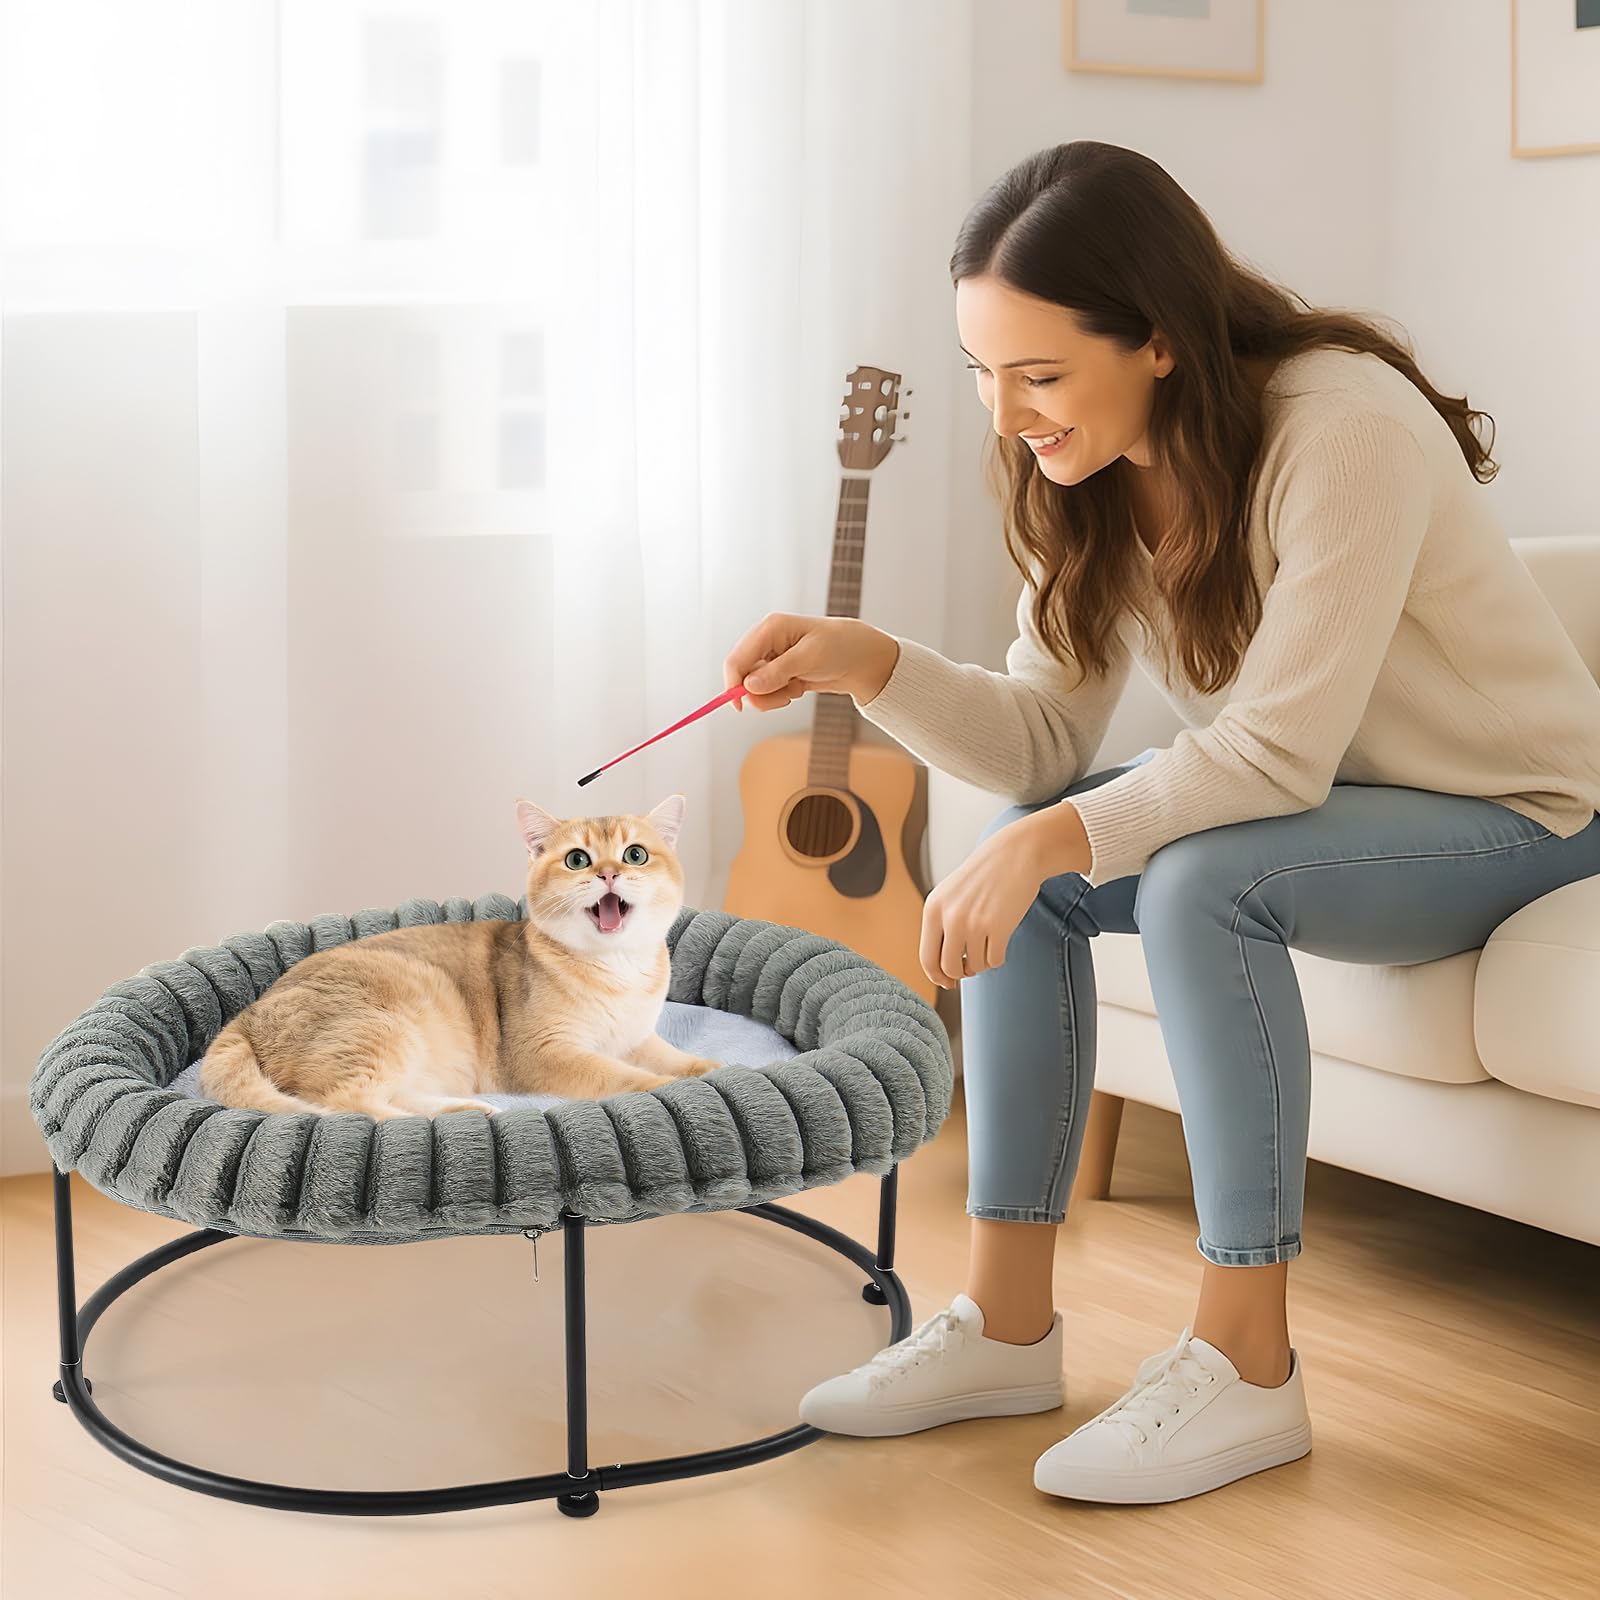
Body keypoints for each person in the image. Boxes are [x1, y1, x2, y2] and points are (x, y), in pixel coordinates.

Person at [721, 140, 1600, 1506]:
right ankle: (1007, 1328)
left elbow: (1277, 751)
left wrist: (1045, 841)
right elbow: (1038, 737)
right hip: (1352, 805)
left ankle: (1251, 1369)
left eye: (1040, 375)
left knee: (1191, 885)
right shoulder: (1095, 467)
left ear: (1161, 341)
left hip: (1527, 813)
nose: (1008, 415)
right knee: (1051, 843)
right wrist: (870, 663)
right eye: (984, 377)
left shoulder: (1343, 427)